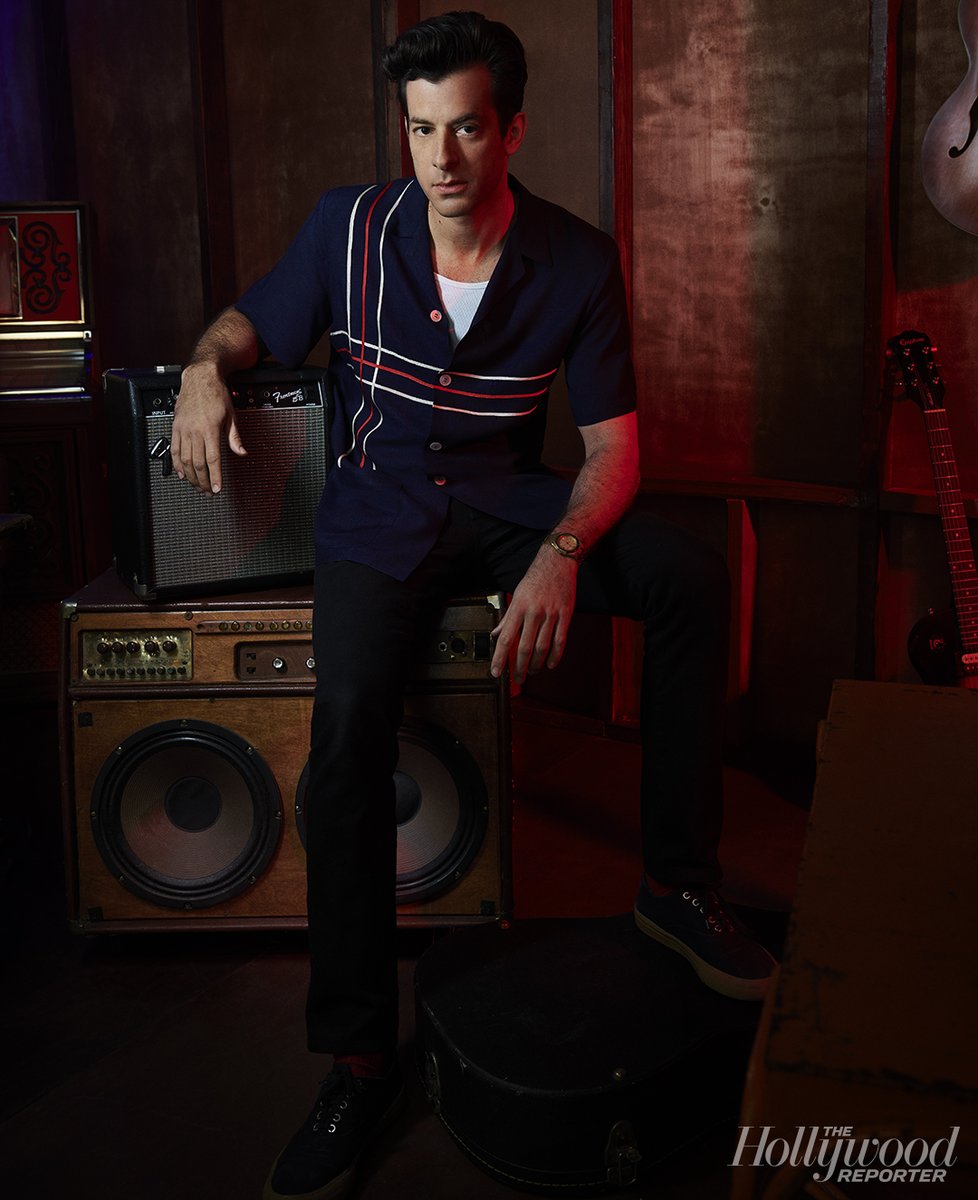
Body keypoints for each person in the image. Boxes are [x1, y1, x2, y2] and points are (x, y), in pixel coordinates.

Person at [172, 11, 776, 1199]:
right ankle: (357, 1058)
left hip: (509, 502)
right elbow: (251, 323)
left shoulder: (578, 259)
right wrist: (203, 367)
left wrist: (559, 551)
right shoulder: (349, 228)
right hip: (379, 516)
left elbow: (614, 452)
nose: (439, 158)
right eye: (419, 130)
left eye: (464, 130)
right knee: (348, 727)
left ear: (511, 131)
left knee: (688, 575)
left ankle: (675, 884)